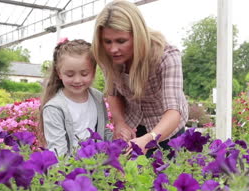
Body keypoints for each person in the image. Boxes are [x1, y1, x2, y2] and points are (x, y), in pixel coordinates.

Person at [92, 0, 188, 155]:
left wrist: (149, 139)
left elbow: (173, 111)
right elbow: (113, 94)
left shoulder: (166, 56)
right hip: (134, 127)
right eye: (107, 41)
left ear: (137, 35)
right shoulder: (109, 57)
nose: (113, 49)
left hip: (167, 131)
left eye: (121, 41)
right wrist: (120, 123)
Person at [39, 38, 112, 156]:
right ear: (59, 73)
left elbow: (102, 132)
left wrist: (119, 141)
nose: (77, 80)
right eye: (70, 74)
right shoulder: (54, 108)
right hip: (70, 170)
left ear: (93, 72)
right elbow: (58, 151)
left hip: (97, 166)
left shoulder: (97, 98)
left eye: (84, 74)